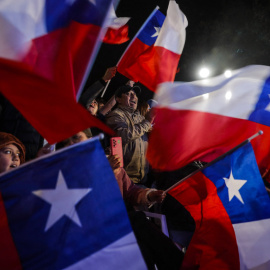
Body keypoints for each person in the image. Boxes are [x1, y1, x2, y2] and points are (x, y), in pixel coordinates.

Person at [105, 85, 154, 185]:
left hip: (142, 180)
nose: (133, 97)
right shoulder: (116, 114)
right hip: (124, 180)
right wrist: (147, 122)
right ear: (118, 99)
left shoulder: (140, 118)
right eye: (128, 94)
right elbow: (123, 135)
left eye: (135, 95)